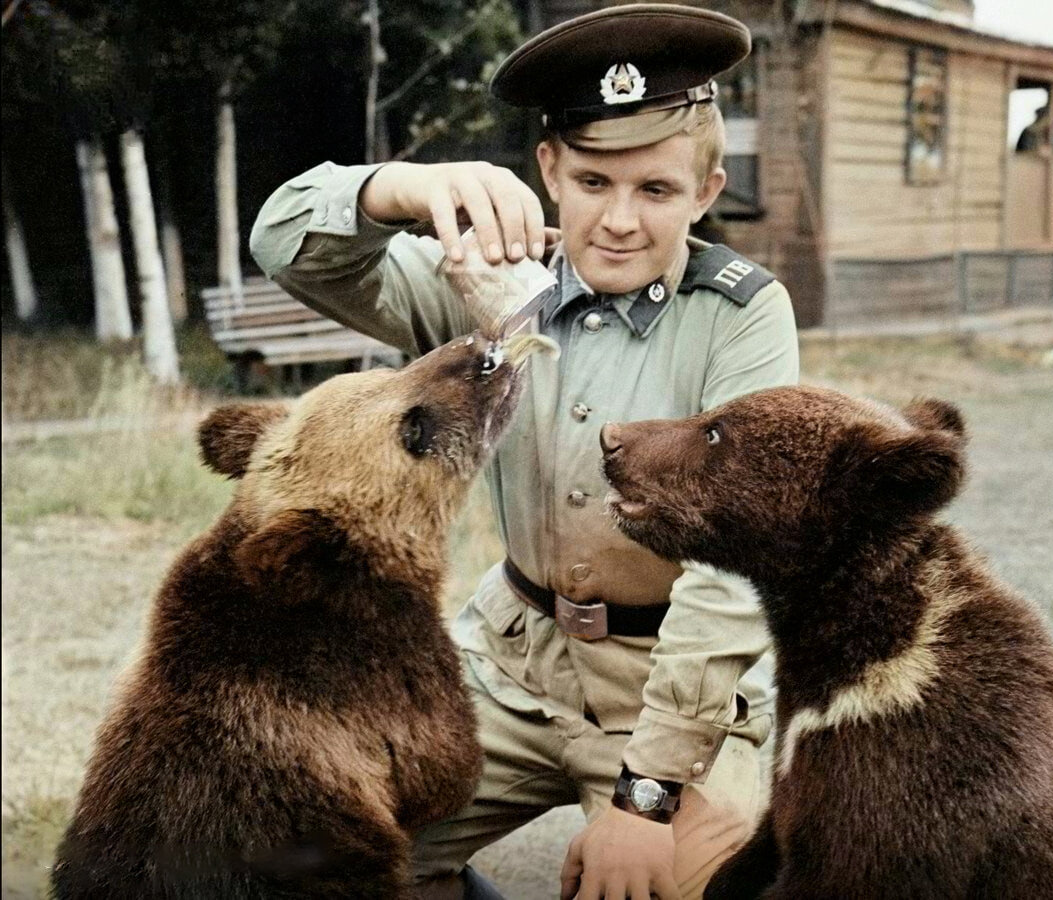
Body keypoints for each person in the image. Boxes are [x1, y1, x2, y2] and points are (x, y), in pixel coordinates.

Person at [249, 6, 800, 899]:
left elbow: (732, 574)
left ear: (705, 192)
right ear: (549, 170)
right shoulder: (488, 280)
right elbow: (285, 245)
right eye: (591, 181)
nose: (618, 220)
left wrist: (646, 796)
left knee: (701, 883)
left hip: (665, 685)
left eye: (655, 190)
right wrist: (404, 189)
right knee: (313, 850)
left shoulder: (739, 316)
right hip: (509, 664)